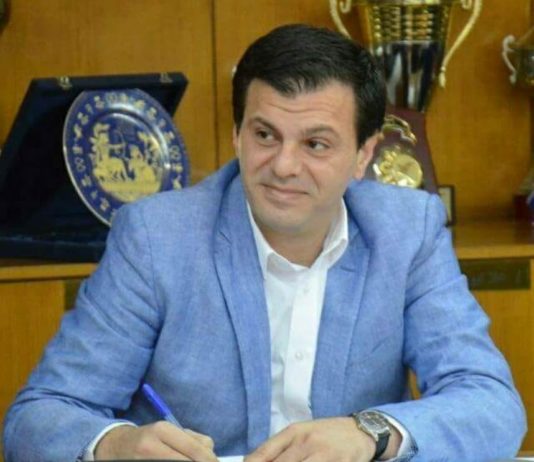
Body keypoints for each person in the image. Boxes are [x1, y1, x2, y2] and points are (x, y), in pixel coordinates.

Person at [2, 24, 526, 462]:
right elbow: (38, 417)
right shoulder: (157, 237)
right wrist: (115, 445)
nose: (283, 166)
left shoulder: (405, 232)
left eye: (315, 143)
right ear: (237, 135)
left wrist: (371, 433)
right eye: (265, 135)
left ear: (364, 155)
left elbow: (491, 405)